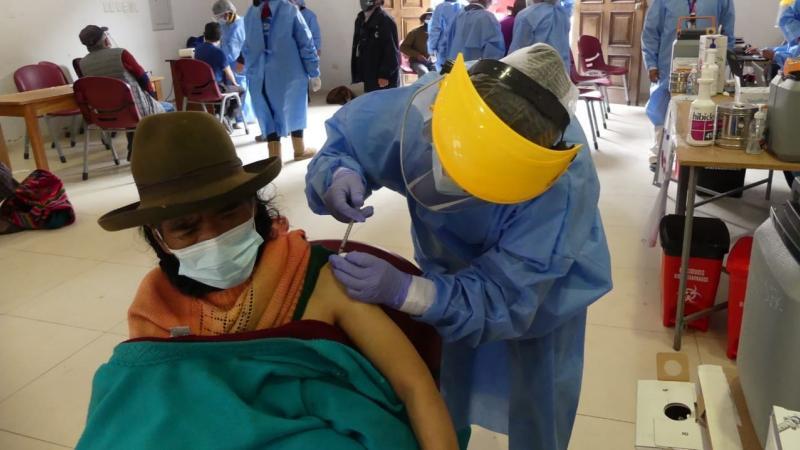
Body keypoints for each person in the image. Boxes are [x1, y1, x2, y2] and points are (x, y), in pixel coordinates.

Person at [82, 111, 461, 450]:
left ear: (255, 204)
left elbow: (414, 386)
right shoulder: (155, 307)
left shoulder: (317, 277)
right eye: (185, 228)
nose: (213, 236)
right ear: (158, 237)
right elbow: (150, 414)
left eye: (228, 212)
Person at [306, 44, 612, 450]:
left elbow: (507, 295)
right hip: (447, 262)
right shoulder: (420, 109)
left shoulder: (558, 188)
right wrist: (340, 173)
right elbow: (352, 139)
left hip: (542, 284)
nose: (451, 182)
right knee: (449, 374)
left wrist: (407, 291)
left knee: (541, 390)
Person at [641, 0, 735, 153]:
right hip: (669, 65)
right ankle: (660, 150)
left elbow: (727, 34)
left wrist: (721, 65)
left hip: (707, 65)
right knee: (662, 108)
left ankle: (695, 155)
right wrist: (651, 64)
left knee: (702, 110)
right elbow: (650, 32)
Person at [243, 0, 321, 162]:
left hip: (259, 75)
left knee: (268, 113)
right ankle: (299, 150)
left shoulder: (251, 13)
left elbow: (247, 47)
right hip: (289, 73)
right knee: (295, 108)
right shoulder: (290, 10)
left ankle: (274, 157)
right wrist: (313, 71)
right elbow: (306, 43)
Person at [78, 25, 174, 117]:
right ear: (105, 40)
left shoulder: (82, 64)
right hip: (136, 111)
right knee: (169, 107)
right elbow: (142, 77)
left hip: (107, 114)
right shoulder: (121, 54)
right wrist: (152, 96)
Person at [194, 22, 246, 128]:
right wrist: (235, 83)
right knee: (241, 90)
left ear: (205, 34)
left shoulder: (198, 50)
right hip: (216, 89)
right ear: (220, 37)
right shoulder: (218, 52)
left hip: (201, 89)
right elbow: (228, 72)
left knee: (224, 90)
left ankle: (220, 114)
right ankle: (229, 117)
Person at [212, 0, 256, 127]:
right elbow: (223, 43)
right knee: (234, 91)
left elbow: (246, 46)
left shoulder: (242, 25)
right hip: (228, 64)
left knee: (242, 89)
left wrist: (240, 61)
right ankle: (236, 117)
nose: (220, 20)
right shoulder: (225, 26)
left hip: (239, 64)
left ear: (229, 13)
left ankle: (243, 119)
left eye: (221, 16)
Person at [509, 0, 574, 70]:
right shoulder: (563, 15)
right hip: (561, 72)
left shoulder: (526, 16)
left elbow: (516, 54)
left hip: (535, 72)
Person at [352, 0, 401, 93]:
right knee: (371, 97)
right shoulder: (360, 19)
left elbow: (391, 50)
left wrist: (385, 74)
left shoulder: (385, 20)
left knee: (385, 100)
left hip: (383, 76)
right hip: (369, 70)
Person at [429, 0, 465, 71]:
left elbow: (435, 30)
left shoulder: (440, 8)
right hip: (461, 49)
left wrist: (432, 49)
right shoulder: (463, 8)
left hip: (444, 49)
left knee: (444, 74)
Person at [401, 9, 436, 76]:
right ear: (424, 19)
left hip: (432, 62)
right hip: (417, 62)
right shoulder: (415, 32)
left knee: (439, 73)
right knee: (423, 72)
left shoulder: (437, 33)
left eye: (432, 17)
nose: (430, 19)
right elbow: (403, 47)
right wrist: (417, 55)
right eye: (428, 17)